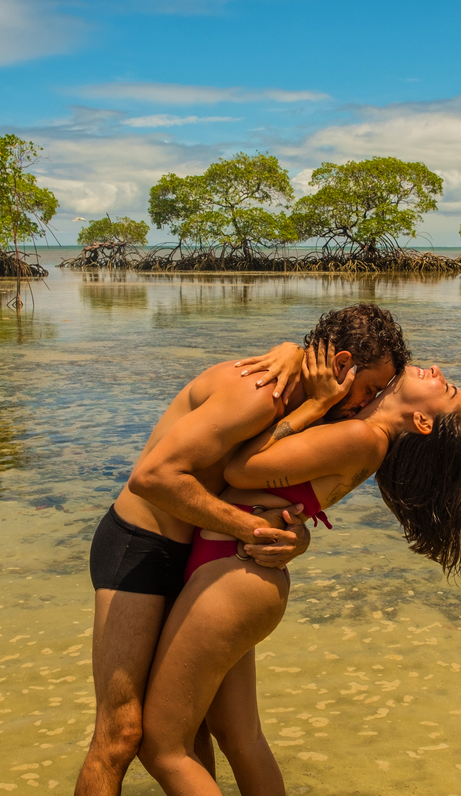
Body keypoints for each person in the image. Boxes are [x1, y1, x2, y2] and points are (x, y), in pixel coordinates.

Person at [136, 343, 461, 796]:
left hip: (233, 572)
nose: (437, 369)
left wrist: (314, 404)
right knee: (239, 737)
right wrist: (294, 355)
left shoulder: (363, 438)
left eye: (446, 386)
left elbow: (241, 469)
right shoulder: (362, 435)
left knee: (163, 749)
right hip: (237, 569)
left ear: (424, 421)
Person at [75, 304, 411, 796]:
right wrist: (251, 530)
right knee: (120, 733)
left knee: (189, 732)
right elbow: (153, 478)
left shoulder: (306, 407)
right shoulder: (259, 393)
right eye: (368, 390)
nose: (366, 405)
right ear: (340, 365)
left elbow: (277, 493)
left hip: (193, 553)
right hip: (141, 547)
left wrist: (296, 536)